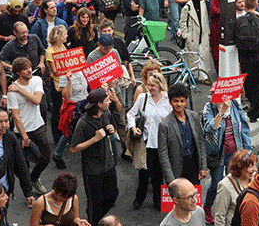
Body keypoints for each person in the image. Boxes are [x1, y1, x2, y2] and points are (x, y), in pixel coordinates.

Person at [69, 89, 119, 226]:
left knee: (112, 195)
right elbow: (73, 148)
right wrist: (95, 139)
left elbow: (114, 128)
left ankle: (98, 218)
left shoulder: (107, 114)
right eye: (107, 100)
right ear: (99, 104)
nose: (110, 101)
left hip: (108, 164)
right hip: (92, 170)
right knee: (94, 206)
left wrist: (111, 129)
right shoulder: (83, 123)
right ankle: (94, 221)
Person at [202, 91, 253, 223]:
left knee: (234, 181)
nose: (219, 99)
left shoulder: (235, 105)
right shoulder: (209, 108)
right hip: (218, 154)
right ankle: (207, 207)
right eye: (215, 95)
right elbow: (210, 128)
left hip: (234, 151)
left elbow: (244, 127)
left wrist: (247, 149)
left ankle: (231, 208)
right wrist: (221, 112)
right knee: (217, 183)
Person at [126, 72, 171, 210]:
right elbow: (131, 114)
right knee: (144, 173)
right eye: (148, 85)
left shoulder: (169, 100)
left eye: (153, 85)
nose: (149, 88)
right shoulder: (143, 98)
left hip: (162, 144)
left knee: (159, 174)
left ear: (160, 86)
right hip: (146, 142)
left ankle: (158, 200)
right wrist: (133, 128)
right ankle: (139, 198)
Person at [7, 57, 49, 194]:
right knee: (23, 166)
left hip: (38, 126)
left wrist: (19, 89)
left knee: (45, 158)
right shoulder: (11, 92)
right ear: (18, 72)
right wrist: (24, 137)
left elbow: (37, 100)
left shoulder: (36, 81)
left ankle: (34, 178)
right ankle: (28, 193)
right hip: (22, 131)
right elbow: (16, 116)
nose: (29, 70)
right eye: (25, 69)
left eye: (29, 67)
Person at [158, 83, 208, 186]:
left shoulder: (194, 117)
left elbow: (200, 142)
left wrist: (203, 166)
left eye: (182, 101)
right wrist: (170, 178)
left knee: (194, 198)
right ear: (170, 102)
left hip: (193, 164)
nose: (179, 104)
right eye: (175, 101)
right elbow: (163, 154)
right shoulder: (164, 124)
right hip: (176, 168)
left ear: (186, 101)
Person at [235, 0, 259, 124]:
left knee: (248, 86)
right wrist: (258, 14)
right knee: (257, 86)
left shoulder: (239, 21)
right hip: (258, 57)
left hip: (244, 58)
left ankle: (257, 112)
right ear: (256, 5)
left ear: (244, 4)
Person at [213, 149, 258, 226]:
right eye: (251, 167)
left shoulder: (254, 178)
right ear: (240, 167)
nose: (255, 169)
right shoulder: (225, 186)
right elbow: (220, 216)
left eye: (254, 165)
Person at [179, 0, 215, 79]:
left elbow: (205, 19)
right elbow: (182, 22)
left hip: (202, 34)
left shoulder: (202, 3)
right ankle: (195, 75)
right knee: (194, 56)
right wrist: (186, 35)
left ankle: (203, 76)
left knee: (202, 54)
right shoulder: (187, 7)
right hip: (193, 35)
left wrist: (208, 32)